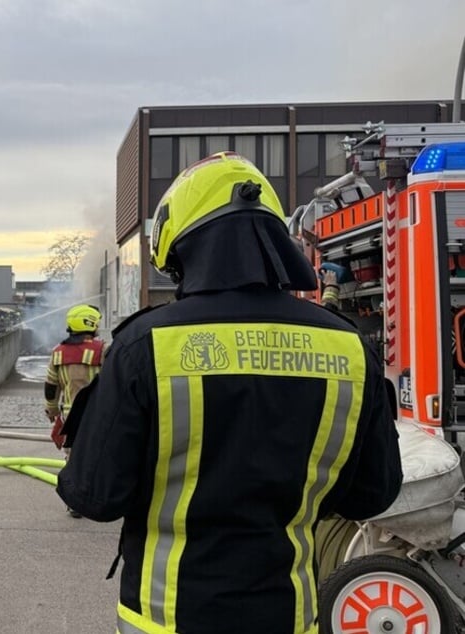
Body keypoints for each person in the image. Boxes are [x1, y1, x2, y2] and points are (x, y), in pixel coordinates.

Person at [56, 152, 402, 634]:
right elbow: (372, 495)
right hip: (288, 615)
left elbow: (93, 497)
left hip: (167, 618)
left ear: (182, 248)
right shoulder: (348, 348)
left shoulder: (146, 345)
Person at [44, 304, 105, 518]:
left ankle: (74, 503)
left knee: (72, 459)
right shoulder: (102, 350)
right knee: (98, 457)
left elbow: (51, 386)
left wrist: (51, 410)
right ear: (90, 323)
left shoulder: (58, 352)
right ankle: (97, 497)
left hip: (70, 416)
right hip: (97, 414)